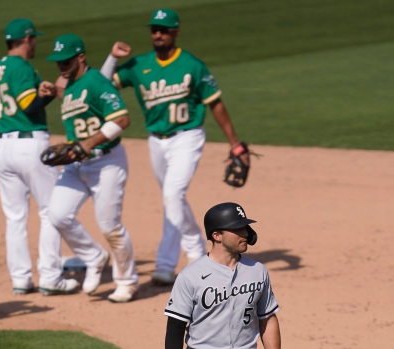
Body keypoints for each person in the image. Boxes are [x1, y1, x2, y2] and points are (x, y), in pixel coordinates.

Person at [99, 8, 250, 286]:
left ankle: (195, 255)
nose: (158, 34)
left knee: (172, 193)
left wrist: (234, 142)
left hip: (187, 137)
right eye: (154, 29)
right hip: (156, 141)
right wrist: (112, 58)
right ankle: (166, 265)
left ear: (176, 32)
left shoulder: (192, 65)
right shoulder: (139, 65)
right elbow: (100, 85)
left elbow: (215, 102)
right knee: (173, 200)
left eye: (164, 29)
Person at [0, 19, 78, 296]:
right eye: (33, 39)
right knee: (50, 212)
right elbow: (29, 104)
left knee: (15, 218)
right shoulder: (21, 67)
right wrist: (48, 94)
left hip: (3, 147)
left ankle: (21, 279)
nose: (35, 43)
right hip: (30, 145)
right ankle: (50, 276)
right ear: (27, 40)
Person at [43, 34, 138, 303]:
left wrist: (88, 143)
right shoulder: (71, 86)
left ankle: (127, 282)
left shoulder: (95, 81)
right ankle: (94, 257)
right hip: (77, 164)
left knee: (110, 226)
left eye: (66, 60)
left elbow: (122, 119)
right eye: (58, 61)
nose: (61, 65)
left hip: (107, 162)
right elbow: (76, 94)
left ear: (81, 57)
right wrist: (54, 91)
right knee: (58, 215)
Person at [164, 202, 281, 349]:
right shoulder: (190, 276)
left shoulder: (257, 271)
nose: (245, 233)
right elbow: (175, 328)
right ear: (217, 236)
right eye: (237, 229)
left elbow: (267, 319)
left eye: (245, 227)